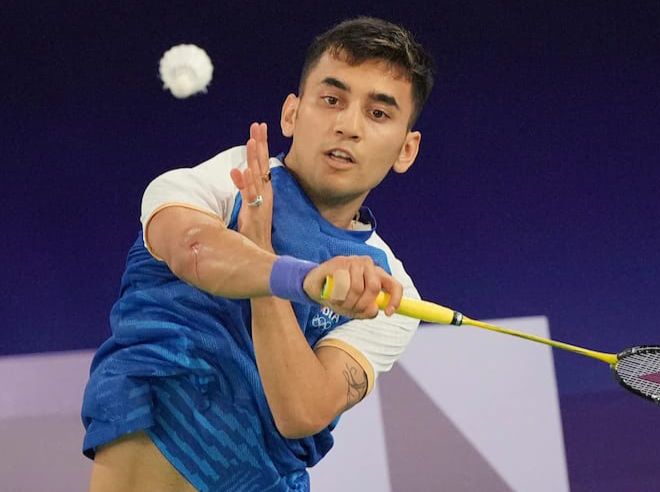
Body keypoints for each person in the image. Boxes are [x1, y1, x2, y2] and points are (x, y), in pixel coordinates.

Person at [82, 17, 435, 491]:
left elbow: (301, 412)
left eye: (378, 113)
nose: (348, 126)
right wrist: (300, 279)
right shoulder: (219, 184)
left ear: (406, 150)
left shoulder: (391, 290)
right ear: (292, 114)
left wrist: (264, 256)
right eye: (331, 100)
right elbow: (193, 251)